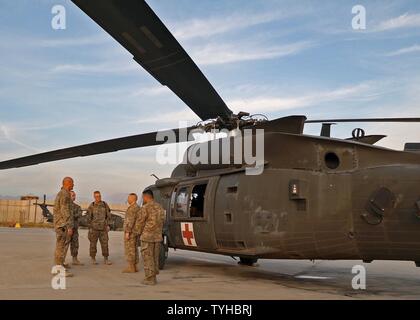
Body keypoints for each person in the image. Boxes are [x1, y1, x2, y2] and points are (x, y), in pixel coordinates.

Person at [135, 190, 165, 285]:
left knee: (147, 258)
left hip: (147, 237)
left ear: (145, 197)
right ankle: (154, 277)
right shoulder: (160, 207)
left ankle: (150, 279)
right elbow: (162, 221)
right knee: (154, 257)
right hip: (157, 237)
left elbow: (140, 222)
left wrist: (137, 233)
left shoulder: (145, 207)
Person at [52, 177, 74, 277]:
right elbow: (65, 211)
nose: (73, 185)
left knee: (59, 247)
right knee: (61, 247)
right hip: (63, 225)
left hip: (59, 224)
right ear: (68, 183)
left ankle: (58, 267)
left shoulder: (61, 193)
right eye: (72, 183)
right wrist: (69, 226)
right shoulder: (65, 194)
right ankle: (59, 270)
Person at [86, 191, 112, 265]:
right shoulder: (92, 205)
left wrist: (108, 225)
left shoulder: (104, 204)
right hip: (94, 229)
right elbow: (88, 217)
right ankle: (93, 258)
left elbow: (109, 216)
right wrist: (90, 227)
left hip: (103, 229)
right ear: (94, 197)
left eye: (99, 196)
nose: (98, 198)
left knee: (105, 244)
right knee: (93, 244)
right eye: (96, 196)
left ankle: (106, 259)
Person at [122, 193, 141, 273]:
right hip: (135, 232)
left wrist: (127, 232)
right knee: (134, 249)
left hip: (131, 232)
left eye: (129, 198)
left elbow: (130, 221)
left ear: (133, 199)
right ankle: (135, 266)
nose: (128, 199)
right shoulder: (137, 207)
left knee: (130, 249)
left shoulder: (132, 208)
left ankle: (131, 267)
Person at [70, 191, 84, 266]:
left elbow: (79, 214)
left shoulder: (77, 207)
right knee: (64, 245)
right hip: (66, 229)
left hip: (74, 229)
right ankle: (61, 261)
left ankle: (74, 259)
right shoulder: (65, 206)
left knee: (75, 244)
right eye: (72, 195)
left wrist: (71, 215)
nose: (74, 196)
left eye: (74, 195)